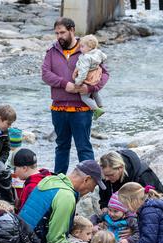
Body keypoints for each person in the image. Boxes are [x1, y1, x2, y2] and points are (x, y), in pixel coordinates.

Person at [42, 17, 110, 174]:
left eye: (62, 32)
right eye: (57, 33)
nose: (59, 36)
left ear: (72, 30)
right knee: (61, 147)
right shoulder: (52, 51)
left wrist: (90, 88)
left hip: (81, 110)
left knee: (84, 147)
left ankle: (91, 181)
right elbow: (45, 74)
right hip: (58, 109)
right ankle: (58, 180)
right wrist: (65, 84)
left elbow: (105, 74)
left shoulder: (88, 49)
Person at [20, 160, 106, 243]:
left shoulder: (51, 180)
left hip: (20, 242)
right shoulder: (66, 196)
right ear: (87, 179)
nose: (92, 190)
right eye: (94, 184)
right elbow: (55, 240)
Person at [98, 150, 163, 210]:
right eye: (104, 175)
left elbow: (158, 202)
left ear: (120, 168)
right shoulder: (107, 173)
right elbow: (104, 195)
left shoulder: (143, 176)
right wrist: (104, 206)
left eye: (110, 175)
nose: (106, 179)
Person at [73, 34, 107, 120]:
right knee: (95, 92)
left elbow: (83, 72)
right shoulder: (98, 52)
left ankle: (96, 109)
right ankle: (101, 106)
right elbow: (105, 57)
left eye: (82, 46)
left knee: (84, 97)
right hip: (96, 76)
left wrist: (78, 82)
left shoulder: (86, 58)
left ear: (90, 47)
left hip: (89, 78)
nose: (80, 48)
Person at [12, 148, 52, 213]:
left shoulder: (31, 187)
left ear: (24, 168)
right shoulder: (47, 177)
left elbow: (24, 215)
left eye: (15, 168)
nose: (15, 172)